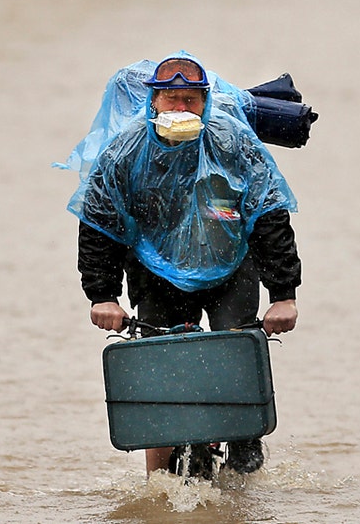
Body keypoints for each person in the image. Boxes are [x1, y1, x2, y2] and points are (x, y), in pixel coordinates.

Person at [72, 51, 302, 477]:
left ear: (205, 101)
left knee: (235, 360)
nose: (180, 109)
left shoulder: (232, 142)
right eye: (171, 99)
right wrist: (102, 295)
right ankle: (156, 486)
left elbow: (269, 215)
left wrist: (284, 295)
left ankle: (243, 474)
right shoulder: (124, 152)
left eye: (190, 101)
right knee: (161, 378)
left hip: (230, 265)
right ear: (153, 102)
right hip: (156, 272)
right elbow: (99, 225)